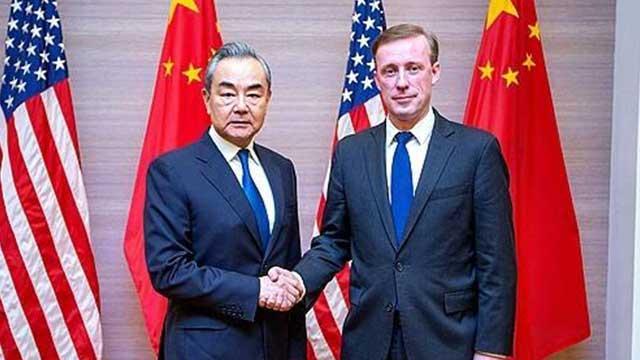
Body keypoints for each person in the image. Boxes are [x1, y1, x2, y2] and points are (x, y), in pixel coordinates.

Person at [267, 24, 516, 359]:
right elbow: (334, 242)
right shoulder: (351, 152)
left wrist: (492, 350)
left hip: (449, 341)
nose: (401, 82)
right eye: (390, 71)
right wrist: (298, 282)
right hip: (370, 341)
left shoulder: (476, 151)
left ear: (434, 71)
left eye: (413, 69)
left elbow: (496, 261)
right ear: (376, 78)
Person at [144, 41, 306, 360]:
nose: (241, 106)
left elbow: (286, 261)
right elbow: (169, 270)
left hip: (275, 345)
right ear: (207, 99)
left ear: (268, 100)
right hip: (204, 350)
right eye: (228, 93)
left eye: (254, 94)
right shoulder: (173, 171)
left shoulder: (282, 169)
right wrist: (255, 290)